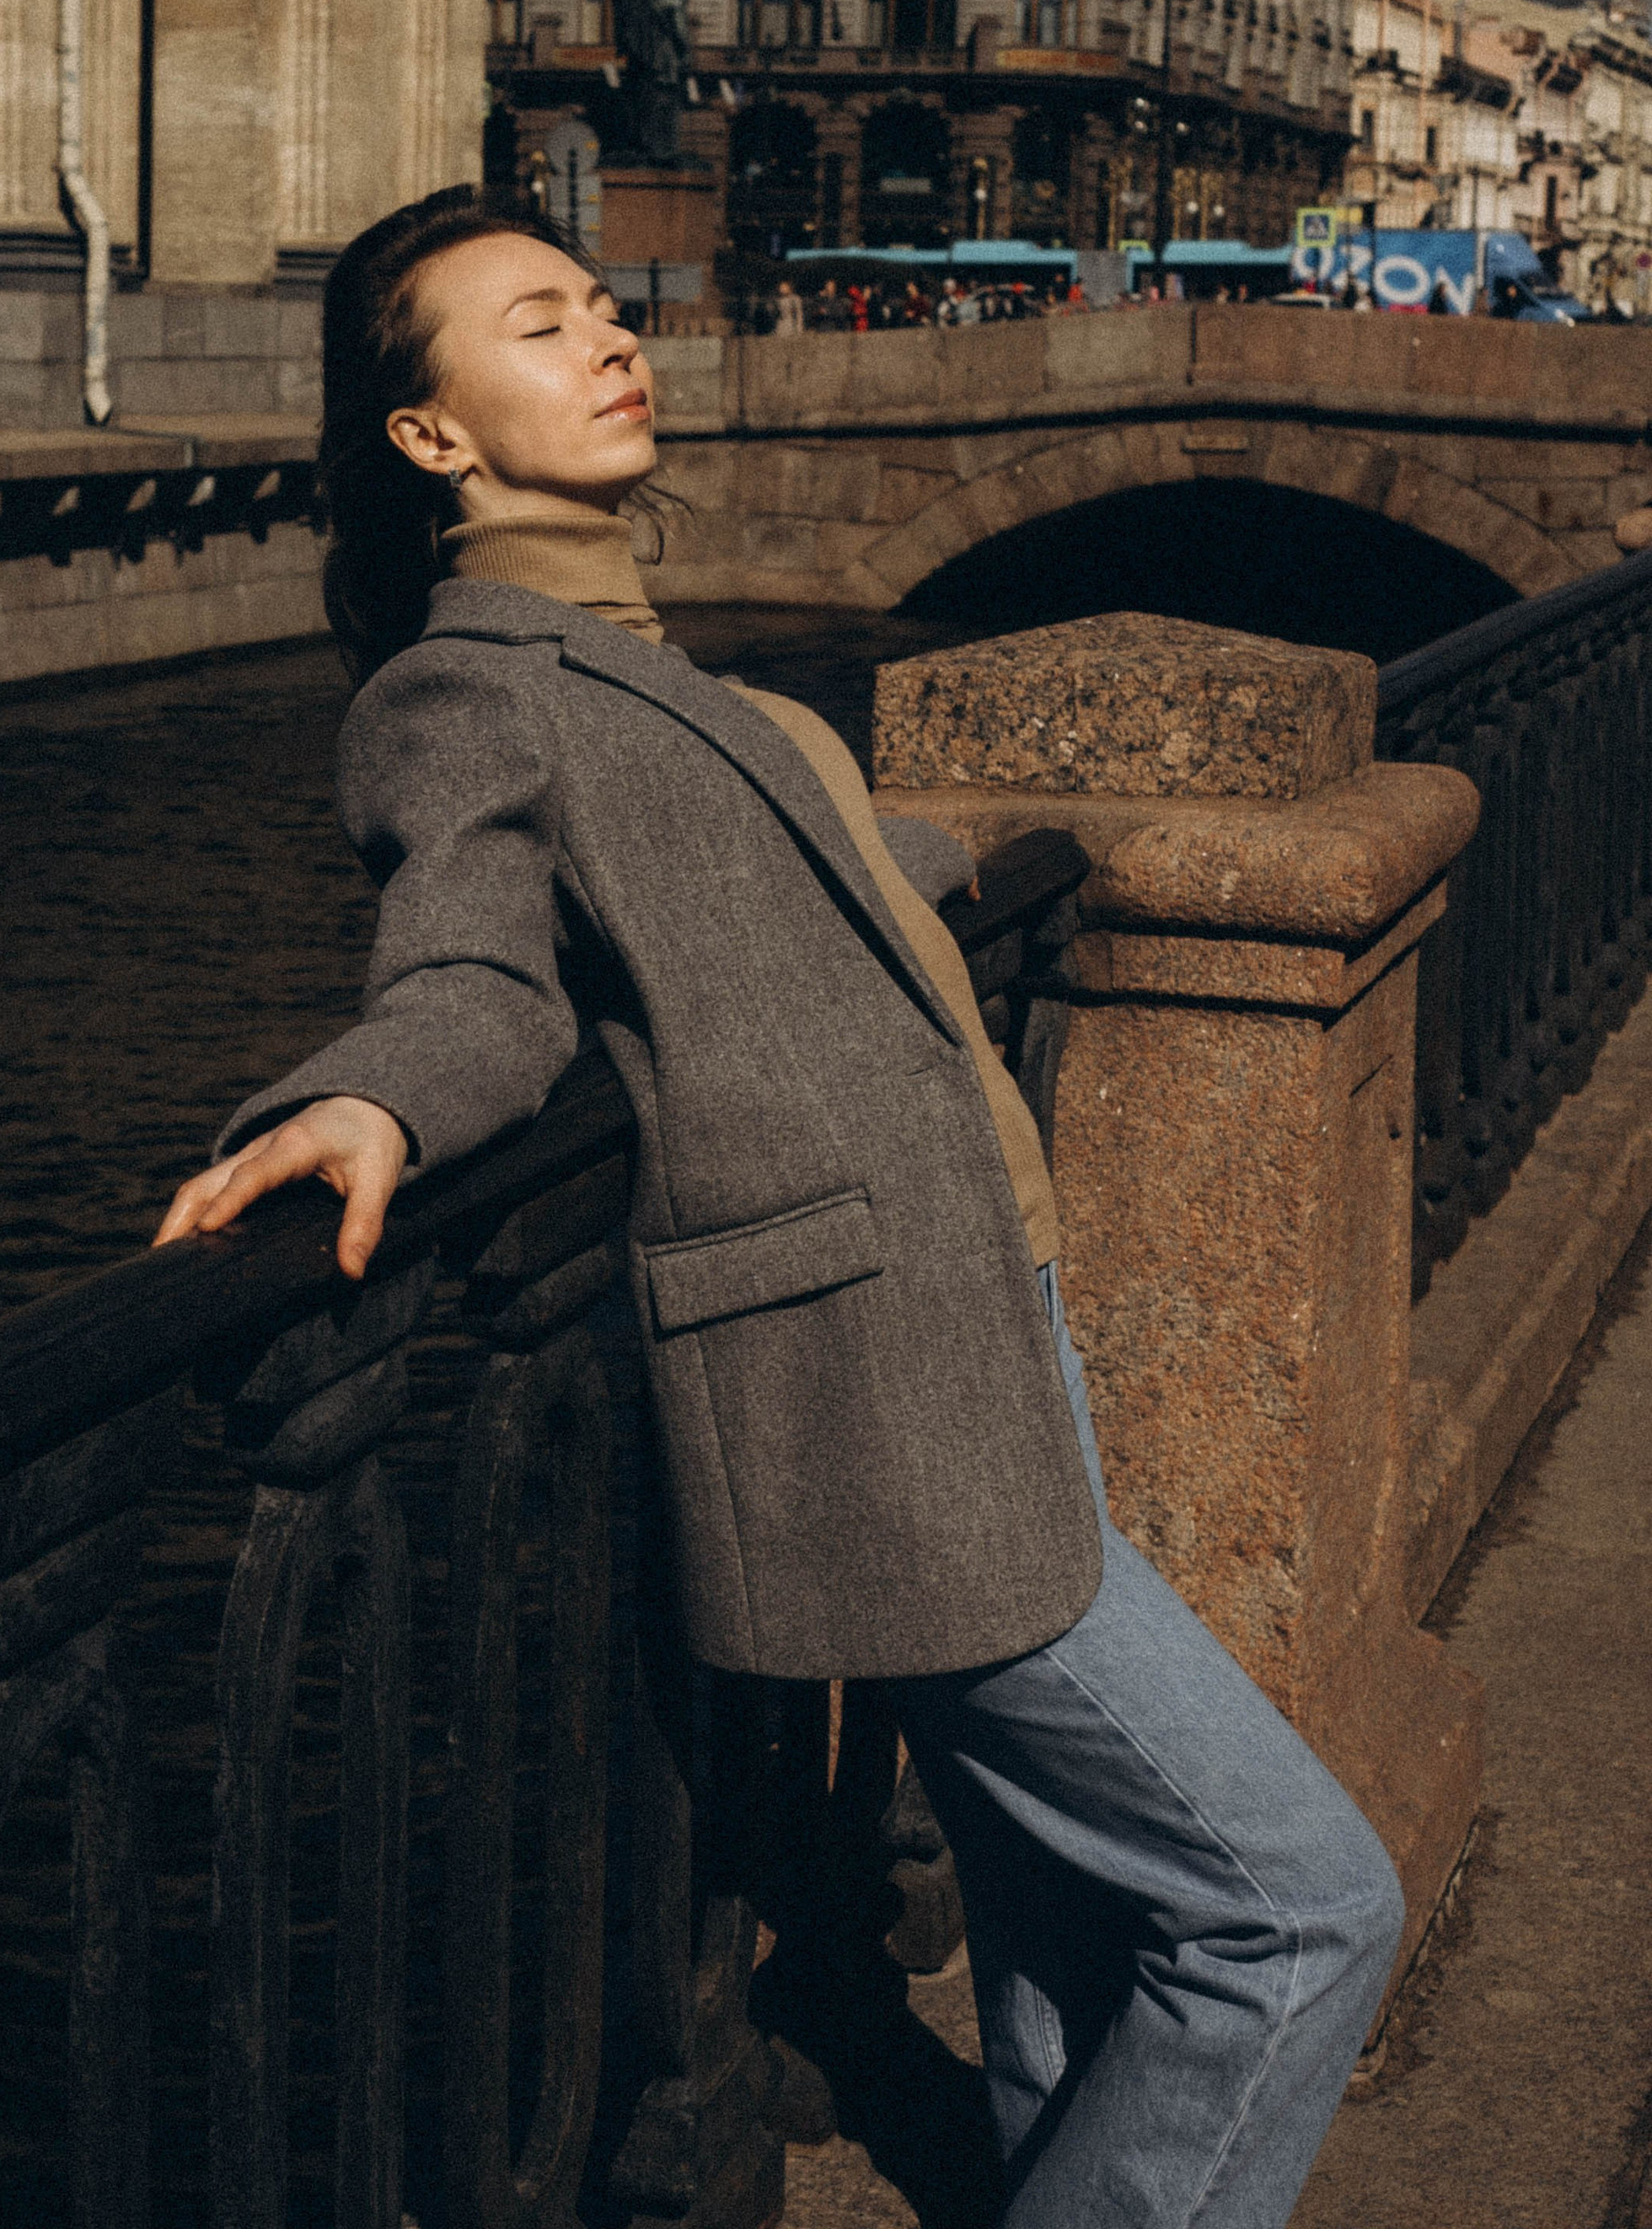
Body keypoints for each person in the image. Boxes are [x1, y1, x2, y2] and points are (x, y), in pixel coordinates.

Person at [157, 189, 1404, 2229]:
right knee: (1300, 1909)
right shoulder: (462, 691)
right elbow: (473, 959)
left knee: (1072, 1951)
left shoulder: (639, 656)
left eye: (601, 302)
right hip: (874, 1395)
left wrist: (926, 851)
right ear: (430, 436)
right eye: (538, 324)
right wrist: (370, 1098)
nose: (609, 336)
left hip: (986, 1314)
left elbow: (796, 871)